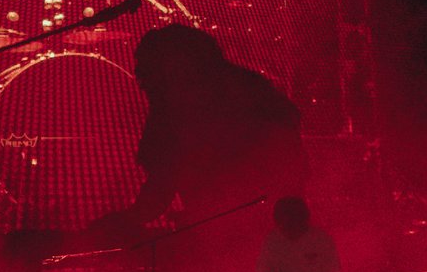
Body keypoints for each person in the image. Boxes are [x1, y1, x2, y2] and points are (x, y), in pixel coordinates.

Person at [124, 24, 307, 227]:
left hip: (246, 228)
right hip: (267, 224)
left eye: (148, 72)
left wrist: (122, 224)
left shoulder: (182, 106)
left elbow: (161, 186)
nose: (141, 81)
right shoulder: (250, 88)